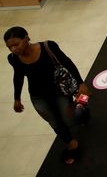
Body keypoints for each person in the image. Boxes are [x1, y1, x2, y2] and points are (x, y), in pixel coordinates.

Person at [6, 26, 90, 165]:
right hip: (38, 96)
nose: (14, 49)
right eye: (10, 47)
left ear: (26, 38)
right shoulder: (13, 58)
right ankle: (72, 144)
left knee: (70, 119)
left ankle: (82, 110)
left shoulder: (48, 47)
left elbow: (67, 62)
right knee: (53, 121)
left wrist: (81, 83)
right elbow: (18, 76)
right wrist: (17, 98)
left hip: (59, 91)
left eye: (16, 44)